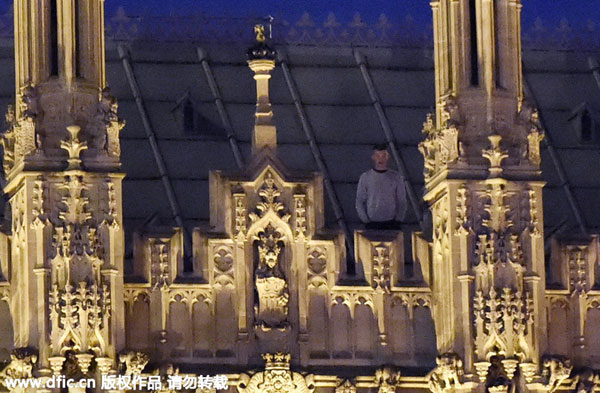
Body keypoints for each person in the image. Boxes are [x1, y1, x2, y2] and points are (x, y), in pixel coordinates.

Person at [356, 144, 408, 230]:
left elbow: (402, 201)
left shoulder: (396, 177)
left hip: (391, 223)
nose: (380, 159)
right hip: (372, 223)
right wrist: (366, 221)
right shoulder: (366, 177)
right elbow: (359, 200)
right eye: (377, 155)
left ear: (387, 157)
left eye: (383, 155)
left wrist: (398, 220)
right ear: (373, 157)